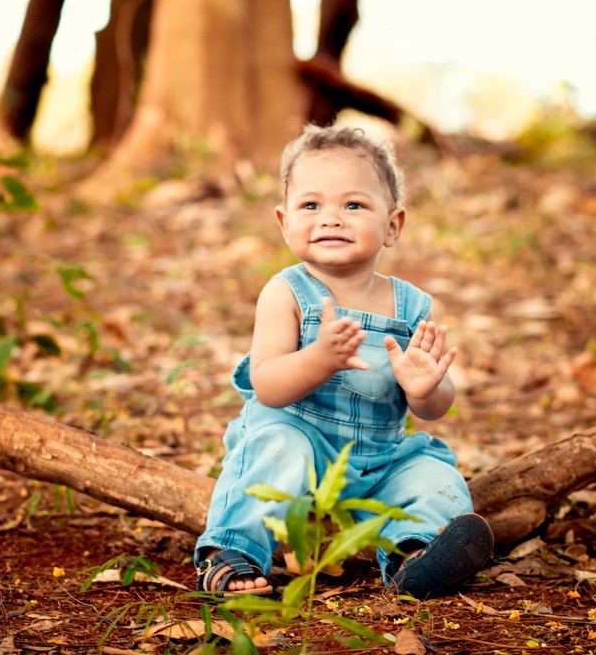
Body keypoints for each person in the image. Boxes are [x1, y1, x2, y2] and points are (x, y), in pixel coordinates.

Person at [195, 124, 493, 599]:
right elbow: (267, 385)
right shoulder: (286, 293)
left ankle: (415, 553)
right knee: (273, 448)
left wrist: (425, 389)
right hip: (299, 446)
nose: (331, 219)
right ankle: (233, 551)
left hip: (379, 459)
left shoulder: (411, 305)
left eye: (353, 205)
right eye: (311, 205)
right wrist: (319, 358)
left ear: (392, 225)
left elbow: (435, 407)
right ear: (284, 222)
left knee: (430, 474)